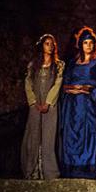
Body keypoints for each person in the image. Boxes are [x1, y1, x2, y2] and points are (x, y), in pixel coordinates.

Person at [59, 27, 96, 179]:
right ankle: (71, 166)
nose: (88, 45)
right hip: (72, 106)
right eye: (85, 43)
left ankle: (87, 166)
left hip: (88, 104)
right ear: (80, 45)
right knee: (72, 133)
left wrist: (87, 89)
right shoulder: (72, 63)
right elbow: (65, 84)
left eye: (91, 43)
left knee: (87, 133)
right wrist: (74, 90)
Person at [21, 34, 64, 179]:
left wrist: (48, 102)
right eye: (47, 43)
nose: (50, 46)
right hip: (35, 104)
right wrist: (33, 101)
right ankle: (32, 170)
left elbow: (58, 84)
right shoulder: (33, 65)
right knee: (33, 136)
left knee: (48, 137)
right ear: (42, 46)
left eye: (52, 44)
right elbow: (28, 83)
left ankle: (49, 172)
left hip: (50, 105)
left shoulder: (58, 66)